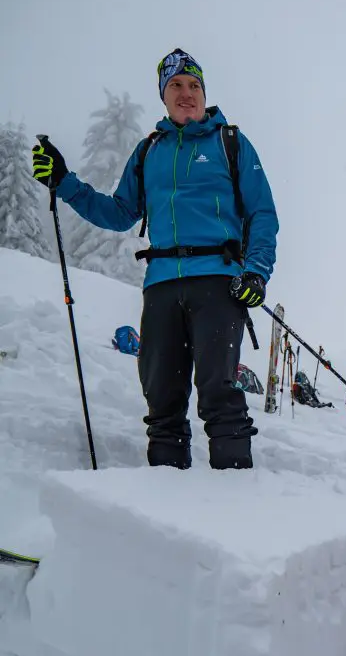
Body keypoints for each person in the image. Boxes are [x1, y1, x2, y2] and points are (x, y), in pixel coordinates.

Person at [32, 48, 278, 470]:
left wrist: (255, 272)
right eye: (176, 86)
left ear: (204, 93)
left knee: (219, 393)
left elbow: (262, 214)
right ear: (163, 96)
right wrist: (64, 183)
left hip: (218, 284)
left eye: (194, 85)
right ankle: (166, 504)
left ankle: (237, 504)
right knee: (162, 398)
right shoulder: (149, 151)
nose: (187, 93)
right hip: (161, 286)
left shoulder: (231, 142)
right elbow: (119, 212)